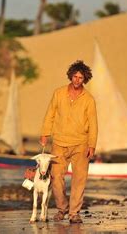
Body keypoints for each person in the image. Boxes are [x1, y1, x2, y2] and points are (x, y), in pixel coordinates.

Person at [39, 60, 98, 224]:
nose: (77, 80)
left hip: (81, 143)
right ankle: (62, 209)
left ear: (85, 79)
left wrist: (92, 145)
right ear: (70, 76)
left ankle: (74, 213)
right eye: (75, 76)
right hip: (59, 142)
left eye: (81, 78)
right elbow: (50, 114)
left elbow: (93, 123)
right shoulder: (58, 93)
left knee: (79, 179)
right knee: (56, 177)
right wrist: (45, 133)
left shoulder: (89, 99)